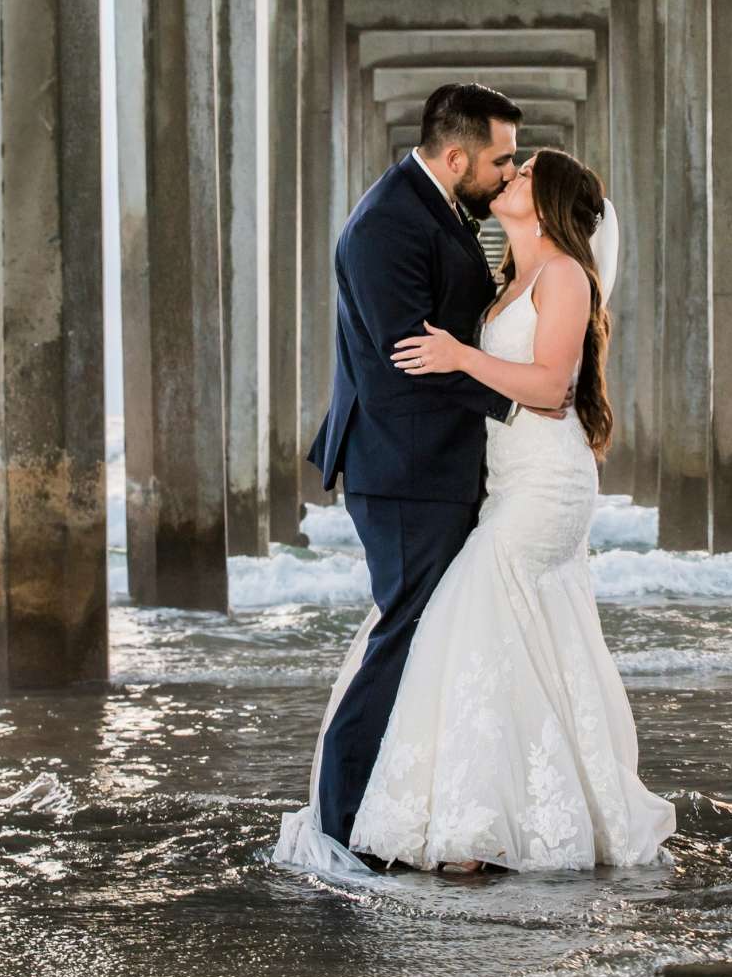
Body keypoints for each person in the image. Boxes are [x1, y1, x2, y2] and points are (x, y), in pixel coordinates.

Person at [277, 115, 677, 874]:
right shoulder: (511, 279)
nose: (509, 176)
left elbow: (551, 386)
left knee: (471, 620)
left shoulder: (562, 275)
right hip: (506, 479)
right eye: (508, 165)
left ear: (549, 200)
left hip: (544, 484)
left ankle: (478, 816)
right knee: (506, 637)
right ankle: (499, 809)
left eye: (523, 174)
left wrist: (457, 353)